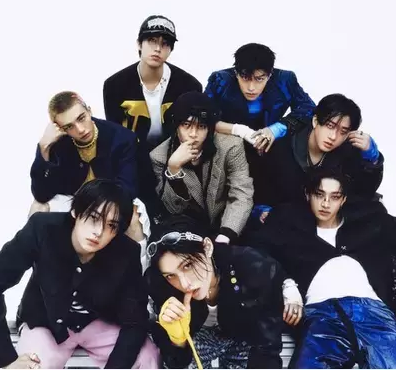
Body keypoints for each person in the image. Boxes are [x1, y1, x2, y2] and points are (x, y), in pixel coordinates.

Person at [246, 169, 396, 369]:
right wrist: (286, 284)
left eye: (334, 197)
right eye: (319, 195)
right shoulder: (288, 224)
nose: (325, 204)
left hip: (373, 313)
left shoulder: (368, 220)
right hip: (320, 315)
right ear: (308, 194)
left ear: (343, 199)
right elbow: (256, 250)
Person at [0, 179, 159, 369]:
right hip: (45, 323)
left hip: (97, 322)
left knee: (147, 357)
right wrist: (5, 360)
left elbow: (135, 321)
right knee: (31, 366)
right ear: (75, 211)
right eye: (93, 218)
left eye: (111, 225)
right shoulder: (42, 229)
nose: (98, 232)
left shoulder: (126, 252)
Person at [145, 215, 286, 369]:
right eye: (170, 275)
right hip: (198, 335)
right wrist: (178, 340)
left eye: (188, 265)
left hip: (243, 335)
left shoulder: (252, 268)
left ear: (207, 247)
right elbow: (175, 362)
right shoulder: (161, 285)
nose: (185, 284)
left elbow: (267, 348)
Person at [103, 14, 203, 219]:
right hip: (133, 155)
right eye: (151, 41)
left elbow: (194, 129)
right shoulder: (114, 85)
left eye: (165, 44)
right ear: (139, 44)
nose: (157, 48)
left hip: (174, 153)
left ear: (171, 49)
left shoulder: (189, 85)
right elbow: (115, 135)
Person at [204, 42, 315, 213]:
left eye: (259, 79)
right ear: (236, 73)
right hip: (231, 147)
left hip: (271, 149)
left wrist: (276, 129)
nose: (251, 87)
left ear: (270, 75)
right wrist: (239, 130)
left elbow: (309, 109)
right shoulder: (220, 80)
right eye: (245, 78)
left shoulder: (285, 80)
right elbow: (203, 117)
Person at [260, 93, 384, 221]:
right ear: (315, 121)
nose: (333, 137)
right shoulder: (283, 146)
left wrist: (372, 159)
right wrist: (262, 210)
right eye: (330, 126)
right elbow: (262, 188)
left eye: (343, 132)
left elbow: (365, 192)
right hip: (287, 219)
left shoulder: (347, 151)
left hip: (326, 221)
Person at [150, 91, 253, 244]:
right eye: (186, 125)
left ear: (209, 129)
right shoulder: (159, 156)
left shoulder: (230, 147)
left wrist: (225, 235)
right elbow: (172, 210)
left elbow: (241, 194)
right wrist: (173, 169)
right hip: (187, 231)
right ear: (176, 126)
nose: (193, 134)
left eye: (201, 126)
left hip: (226, 227)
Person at [29, 91, 137, 216]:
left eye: (81, 118)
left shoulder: (122, 138)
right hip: (75, 201)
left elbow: (127, 189)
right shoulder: (57, 143)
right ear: (60, 129)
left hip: (111, 201)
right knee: (38, 206)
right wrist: (44, 147)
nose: (80, 130)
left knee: (133, 215)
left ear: (89, 111)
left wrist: (98, 207)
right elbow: (41, 195)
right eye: (69, 127)